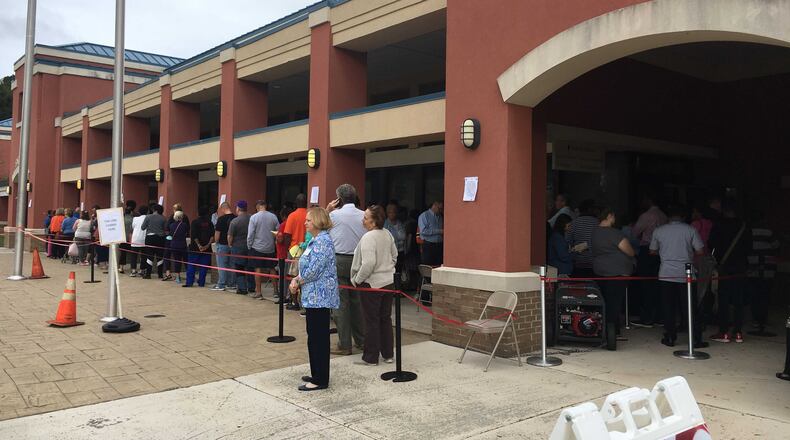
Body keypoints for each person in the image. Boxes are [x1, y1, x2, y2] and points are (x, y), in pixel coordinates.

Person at [289, 207, 338, 391]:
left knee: (319, 338)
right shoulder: (315, 240)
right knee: (313, 336)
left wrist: (297, 280)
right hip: (313, 297)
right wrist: (297, 279)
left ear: (317, 221)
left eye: (309, 220)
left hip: (320, 297)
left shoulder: (323, 242)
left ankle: (320, 379)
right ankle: (316, 372)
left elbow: (315, 270)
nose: (305, 222)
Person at [650, 204, 706, 348]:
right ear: (683, 217)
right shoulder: (690, 230)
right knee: (690, 308)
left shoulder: (659, 231)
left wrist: (666, 253)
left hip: (666, 274)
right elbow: (700, 251)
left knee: (668, 307)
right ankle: (696, 339)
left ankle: (670, 337)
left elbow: (652, 251)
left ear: (668, 216)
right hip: (686, 274)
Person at [351, 205, 397, 366]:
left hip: (371, 284)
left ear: (374, 220)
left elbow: (368, 263)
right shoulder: (387, 234)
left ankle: (370, 357)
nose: (363, 220)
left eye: (365, 217)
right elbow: (395, 255)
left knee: (371, 321)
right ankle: (388, 354)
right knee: (385, 319)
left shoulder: (369, 237)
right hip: (388, 283)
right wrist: (388, 269)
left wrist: (357, 279)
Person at [327, 184, 367, 356]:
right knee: (357, 302)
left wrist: (327, 209)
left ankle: (345, 344)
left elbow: (318, 226)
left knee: (341, 304)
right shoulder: (364, 214)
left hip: (339, 259)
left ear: (339, 199)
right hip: (359, 259)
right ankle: (362, 340)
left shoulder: (334, 215)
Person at [591, 207, 635, 349]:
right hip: (617, 272)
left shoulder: (595, 232)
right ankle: (611, 332)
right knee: (614, 303)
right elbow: (629, 251)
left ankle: (603, 328)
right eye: (614, 217)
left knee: (604, 300)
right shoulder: (615, 233)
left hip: (600, 270)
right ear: (609, 216)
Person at [708, 199, 751, 343]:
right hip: (740, 266)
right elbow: (749, 247)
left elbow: (711, 244)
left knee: (724, 299)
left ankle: (723, 331)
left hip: (725, 266)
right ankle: (738, 332)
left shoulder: (719, 225)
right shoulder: (744, 226)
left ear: (724, 210)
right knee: (739, 299)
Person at [631, 195, 668, 327]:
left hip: (647, 250)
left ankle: (647, 317)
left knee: (645, 285)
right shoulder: (664, 216)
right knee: (659, 284)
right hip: (661, 252)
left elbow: (634, 232)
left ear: (649, 200)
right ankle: (659, 317)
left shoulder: (646, 216)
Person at [746, 210, 780, 333]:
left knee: (754, 294)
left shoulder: (747, 232)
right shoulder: (769, 232)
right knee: (765, 294)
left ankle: (755, 319)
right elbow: (776, 245)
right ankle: (763, 319)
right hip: (768, 267)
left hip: (752, 267)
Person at [247, 200, 279, 299]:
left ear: (258, 206)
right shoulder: (273, 217)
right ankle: (276, 291)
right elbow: (278, 231)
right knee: (272, 268)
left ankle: (259, 292)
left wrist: (249, 245)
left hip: (257, 247)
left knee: (257, 269)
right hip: (270, 247)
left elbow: (251, 234)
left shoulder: (254, 217)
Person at [184, 206, 214, 288]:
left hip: (194, 248)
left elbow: (194, 235)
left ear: (198, 213)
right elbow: (212, 235)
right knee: (203, 267)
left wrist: (199, 246)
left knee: (191, 266)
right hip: (207, 249)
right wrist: (207, 245)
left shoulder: (195, 222)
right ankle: (201, 283)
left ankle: (189, 283)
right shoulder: (210, 223)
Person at [569, 199, 598, 278]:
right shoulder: (598, 223)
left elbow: (568, 242)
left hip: (578, 262)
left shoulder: (574, 223)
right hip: (594, 263)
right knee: (594, 289)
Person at [210, 202, 236, 291]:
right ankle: (231, 283)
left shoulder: (220, 219)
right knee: (232, 264)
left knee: (222, 265)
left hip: (222, 244)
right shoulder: (235, 218)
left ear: (222, 209)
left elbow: (217, 233)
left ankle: (221, 283)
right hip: (233, 245)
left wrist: (216, 243)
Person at [228, 201, 252, 294]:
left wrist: (230, 244)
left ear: (238, 208)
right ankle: (251, 287)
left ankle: (242, 288)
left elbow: (230, 236)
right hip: (250, 247)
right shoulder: (252, 218)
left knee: (239, 267)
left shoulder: (235, 221)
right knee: (250, 267)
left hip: (238, 247)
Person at [141, 204, 167, 279]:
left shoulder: (148, 216)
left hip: (150, 238)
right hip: (160, 238)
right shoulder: (163, 218)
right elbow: (165, 228)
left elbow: (143, 227)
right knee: (160, 256)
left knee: (149, 256)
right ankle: (160, 274)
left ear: (154, 210)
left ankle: (148, 274)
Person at [418, 201, 444, 266]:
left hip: (439, 245)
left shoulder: (440, 216)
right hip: (428, 245)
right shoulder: (424, 215)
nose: (441, 210)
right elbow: (423, 231)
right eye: (439, 208)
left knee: (438, 265)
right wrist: (439, 231)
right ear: (434, 205)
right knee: (428, 266)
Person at [167, 211, 189, 284]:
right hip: (182, 245)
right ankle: (189, 275)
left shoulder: (171, 225)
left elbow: (170, 235)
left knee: (177, 261)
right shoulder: (185, 225)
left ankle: (178, 277)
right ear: (182, 217)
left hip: (174, 245)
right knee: (186, 261)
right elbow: (186, 233)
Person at [384, 202, 406, 274]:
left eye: (395, 212)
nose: (393, 214)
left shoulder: (400, 223)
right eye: (391, 212)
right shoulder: (385, 224)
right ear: (387, 213)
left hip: (400, 251)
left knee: (399, 272)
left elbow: (403, 236)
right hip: (389, 253)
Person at [129, 205, 149, 277]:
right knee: (144, 255)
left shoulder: (135, 218)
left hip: (135, 239)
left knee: (134, 255)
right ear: (147, 211)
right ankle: (142, 270)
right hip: (144, 239)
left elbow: (133, 227)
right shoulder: (148, 218)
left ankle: (133, 271)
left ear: (139, 212)